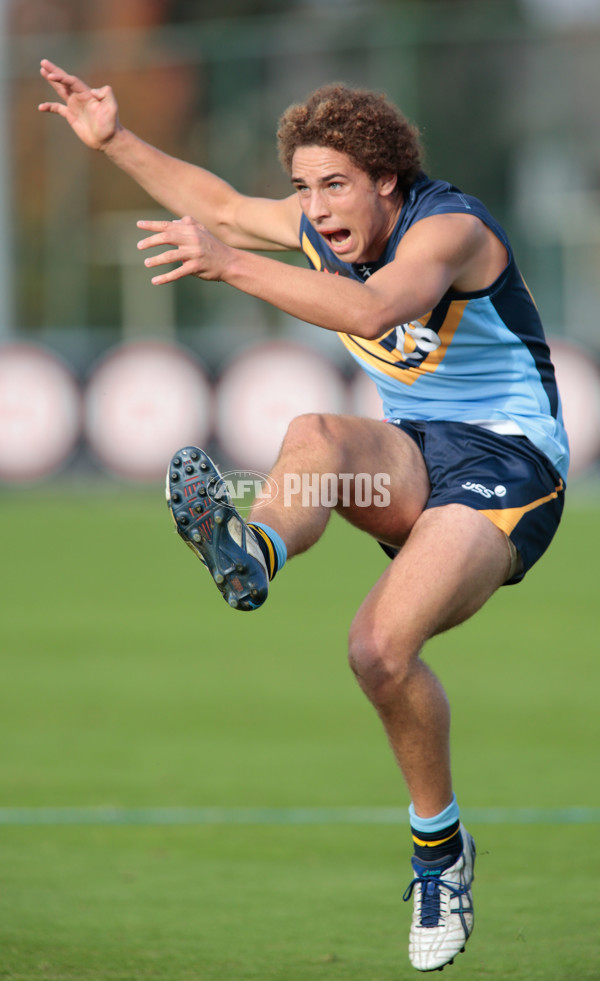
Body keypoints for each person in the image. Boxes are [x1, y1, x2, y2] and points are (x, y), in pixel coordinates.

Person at [39, 60, 568, 973]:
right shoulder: (319, 226)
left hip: (513, 468)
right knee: (316, 431)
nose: (315, 207)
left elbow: (371, 305)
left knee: (378, 651)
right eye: (303, 188)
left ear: (385, 180)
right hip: (415, 452)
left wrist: (231, 263)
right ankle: (255, 551)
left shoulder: (450, 231)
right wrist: (114, 138)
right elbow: (218, 199)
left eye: (334, 185)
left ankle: (440, 855)